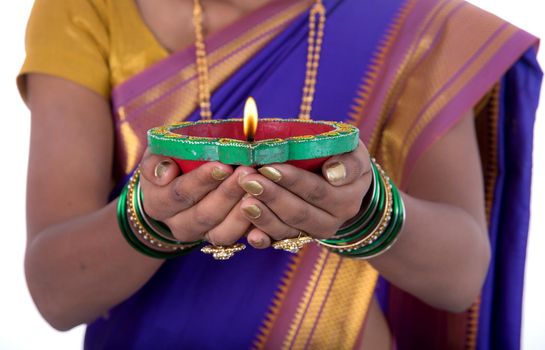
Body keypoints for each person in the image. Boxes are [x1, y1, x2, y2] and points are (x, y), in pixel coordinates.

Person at [18, 0, 541, 348]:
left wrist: (363, 211)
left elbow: (459, 278)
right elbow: (57, 293)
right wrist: (151, 219)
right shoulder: (85, 9)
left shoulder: (411, 22)